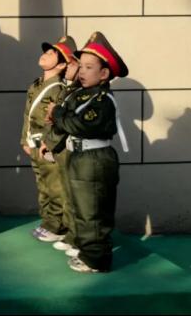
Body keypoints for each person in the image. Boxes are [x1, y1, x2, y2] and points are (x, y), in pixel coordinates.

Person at [48, 32, 129, 273]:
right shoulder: (84, 93)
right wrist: (61, 115)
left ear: (104, 74)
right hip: (79, 157)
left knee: (92, 210)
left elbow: (79, 124)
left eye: (89, 67)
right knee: (80, 206)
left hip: (93, 159)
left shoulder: (102, 100)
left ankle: (96, 258)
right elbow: (68, 114)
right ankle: (84, 246)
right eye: (80, 66)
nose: (81, 71)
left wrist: (58, 115)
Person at [20, 36, 76, 244]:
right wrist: (25, 141)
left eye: (52, 53)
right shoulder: (37, 85)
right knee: (43, 185)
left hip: (48, 146)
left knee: (54, 187)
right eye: (46, 51)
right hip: (35, 145)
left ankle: (57, 226)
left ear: (61, 65)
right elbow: (28, 116)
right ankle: (47, 222)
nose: (45, 54)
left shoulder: (58, 89)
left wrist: (50, 144)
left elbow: (56, 123)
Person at [42, 49, 81, 256]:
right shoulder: (70, 90)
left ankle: (78, 239)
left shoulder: (80, 93)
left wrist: (55, 114)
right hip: (64, 146)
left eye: (73, 65)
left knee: (76, 198)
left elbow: (67, 122)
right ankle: (72, 235)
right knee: (67, 194)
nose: (69, 68)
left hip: (75, 149)